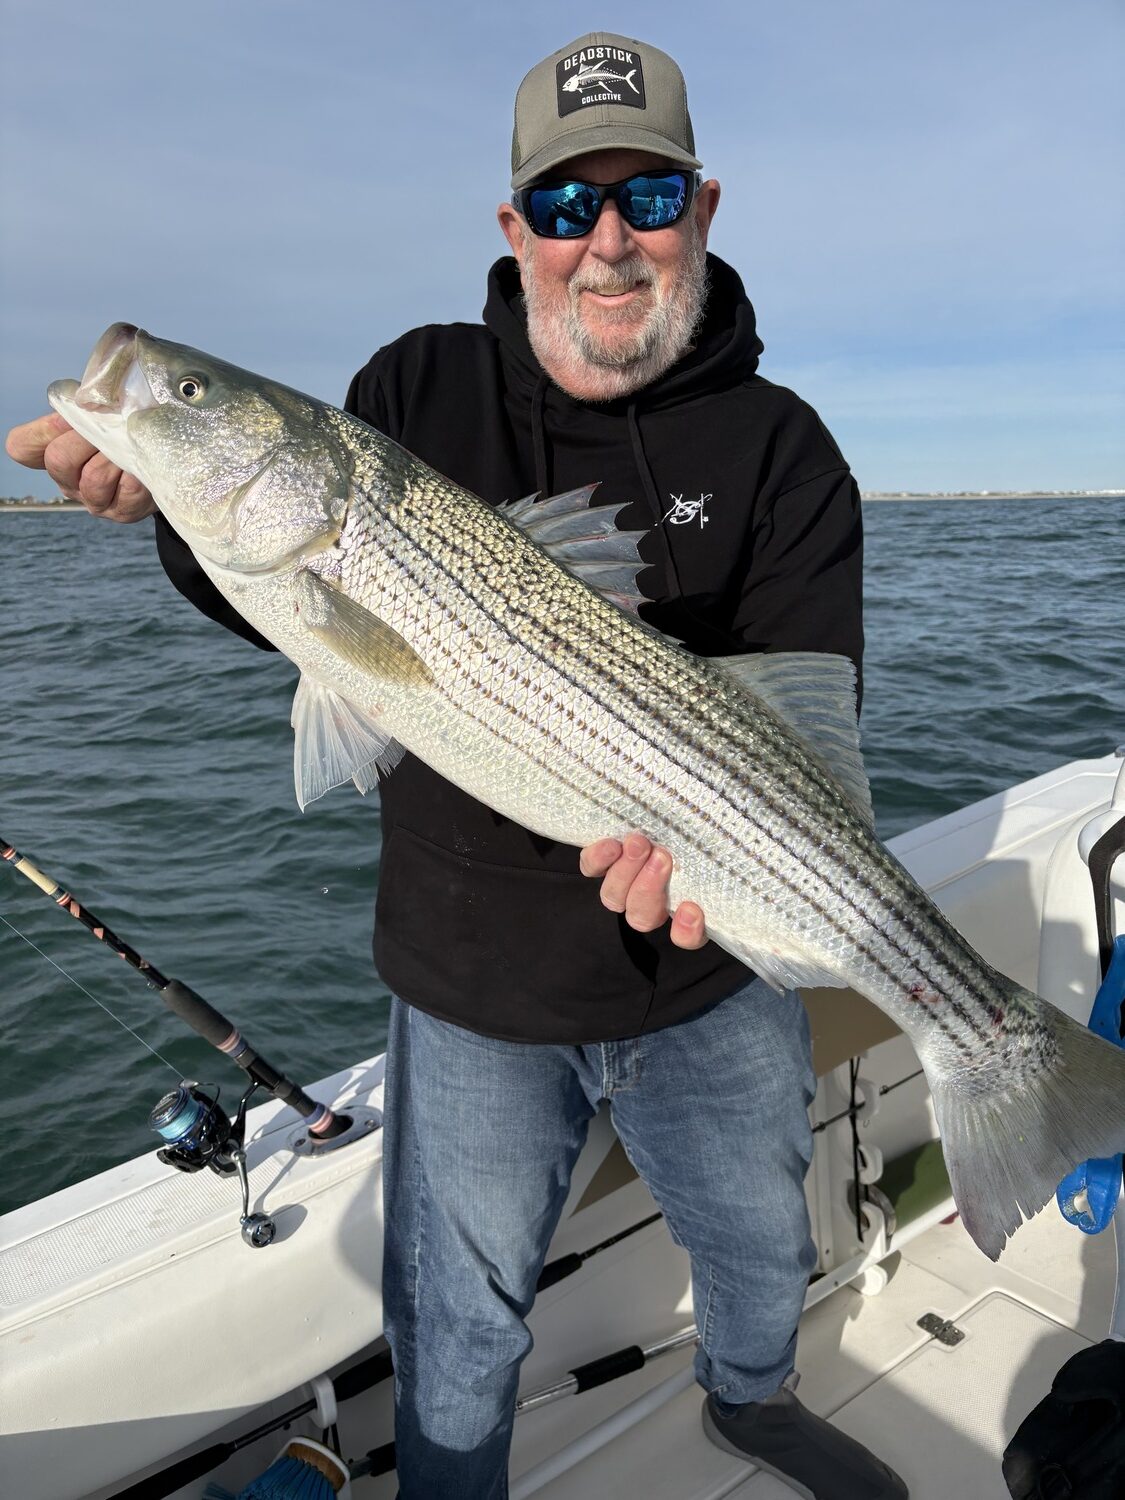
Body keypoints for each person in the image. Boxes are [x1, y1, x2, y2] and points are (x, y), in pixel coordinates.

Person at [7, 31, 906, 1500]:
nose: (605, 242)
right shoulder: (414, 389)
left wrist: (714, 845)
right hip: (469, 981)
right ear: (514, 229)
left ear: (701, 209)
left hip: (710, 960)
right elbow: (300, 614)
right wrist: (169, 483)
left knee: (757, 1238)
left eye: (645, 198)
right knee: (455, 1315)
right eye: (564, 205)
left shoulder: (783, 450)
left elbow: (804, 718)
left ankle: (751, 1398)